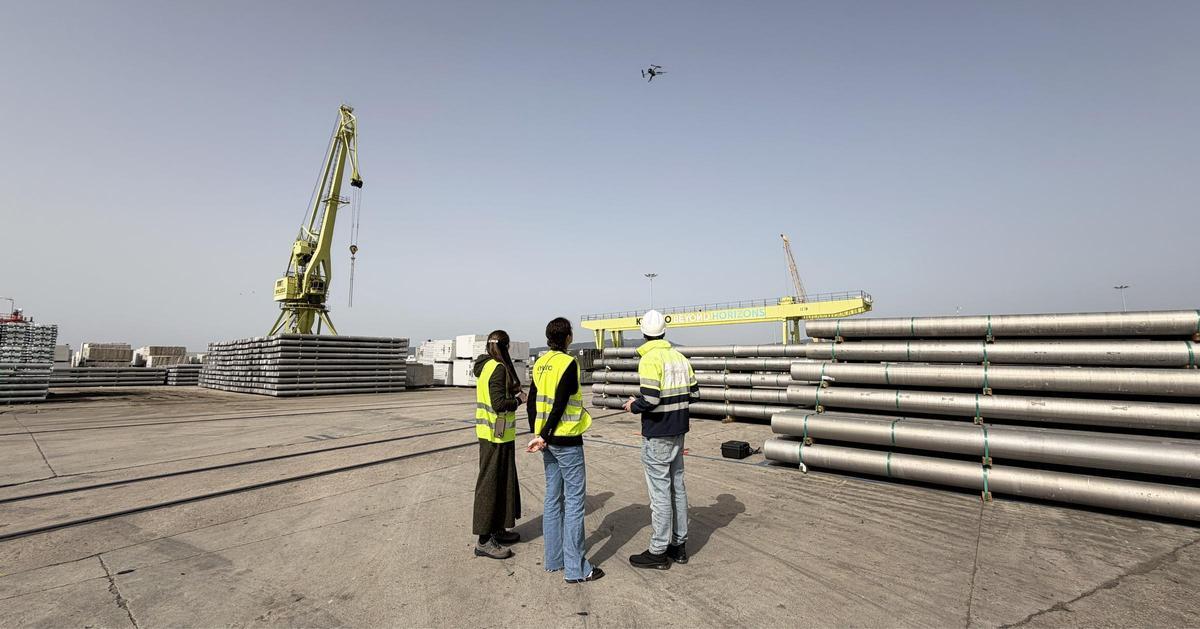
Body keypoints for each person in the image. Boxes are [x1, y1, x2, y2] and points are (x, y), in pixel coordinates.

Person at [525, 317, 605, 583]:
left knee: (552, 498)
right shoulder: (569, 363)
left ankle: (554, 559)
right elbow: (560, 403)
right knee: (574, 503)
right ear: (568, 337)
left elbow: (532, 402)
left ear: (549, 338)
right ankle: (576, 568)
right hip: (566, 440)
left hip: (546, 442)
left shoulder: (540, 363)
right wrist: (546, 434)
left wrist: (538, 434)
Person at [621, 309, 699, 569]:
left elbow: (651, 399)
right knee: (678, 488)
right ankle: (679, 546)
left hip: (658, 434)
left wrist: (633, 405)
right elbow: (694, 394)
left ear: (643, 333)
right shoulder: (680, 357)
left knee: (660, 494)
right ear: (664, 332)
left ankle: (658, 551)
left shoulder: (649, 359)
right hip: (678, 431)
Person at [471, 330, 527, 560]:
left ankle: (497, 529)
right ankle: (484, 540)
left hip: (496, 435)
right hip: (495, 436)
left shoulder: (485, 366)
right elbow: (498, 404)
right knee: (490, 485)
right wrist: (519, 400)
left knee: (503, 482)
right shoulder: (497, 368)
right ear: (506, 347)